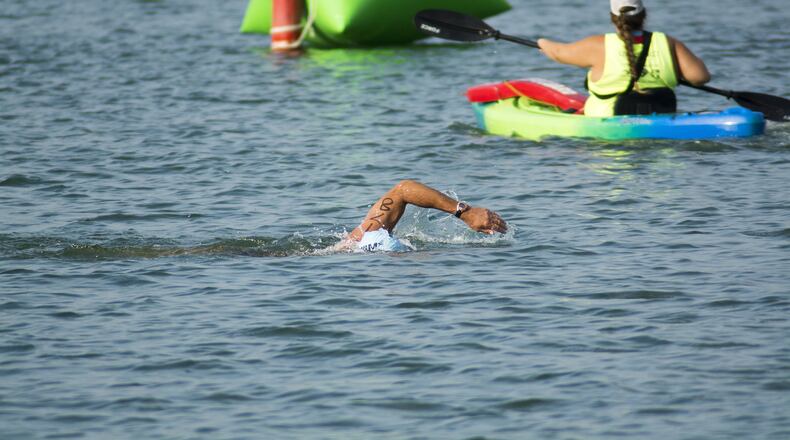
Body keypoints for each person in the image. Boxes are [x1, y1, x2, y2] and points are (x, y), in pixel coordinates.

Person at [536, 0, 711, 117]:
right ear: (644, 15)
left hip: (605, 132)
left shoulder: (598, 45)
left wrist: (542, 42)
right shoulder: (668, 42)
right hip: (660, 120)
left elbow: (558, 53)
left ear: (613, 18)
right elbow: (700, 77)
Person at [339, 180, 507, 252]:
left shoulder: (360, 238)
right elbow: (403, 189)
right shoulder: (364, 238)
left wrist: (466, 213)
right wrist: (466, 213)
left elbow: (403, 190)